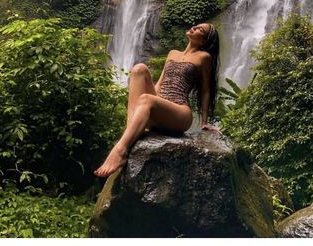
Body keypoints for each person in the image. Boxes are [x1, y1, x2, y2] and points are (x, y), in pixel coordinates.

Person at [94, 22, 220, 178]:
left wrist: (204, 122)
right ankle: (131, 133)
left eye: (200, 29)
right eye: (196, 26)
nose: (194, 27)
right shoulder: (172, 53)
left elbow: (206, 90)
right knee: (139, 69)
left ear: (203, 41)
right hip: (160, 106)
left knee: (147, 99)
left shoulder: (204, 57)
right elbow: (160, 84)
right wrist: (151, 100)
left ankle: (120, 151)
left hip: (179, 113)